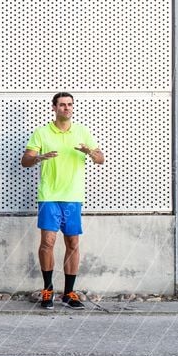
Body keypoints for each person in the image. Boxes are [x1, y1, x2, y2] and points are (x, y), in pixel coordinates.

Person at [21, 92, 104, 310]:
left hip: (73, 197)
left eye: (69, 105)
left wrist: (90, 152)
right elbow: (25, 161)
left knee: (73, 243)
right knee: (47, 242)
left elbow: (100, 159)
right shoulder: (42, 133)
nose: (66, 108)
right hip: (49, 196)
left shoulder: (82, 132)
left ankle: (69, 293)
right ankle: (48, 290)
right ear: (54, 108)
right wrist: (39, 157)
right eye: (62, 105)